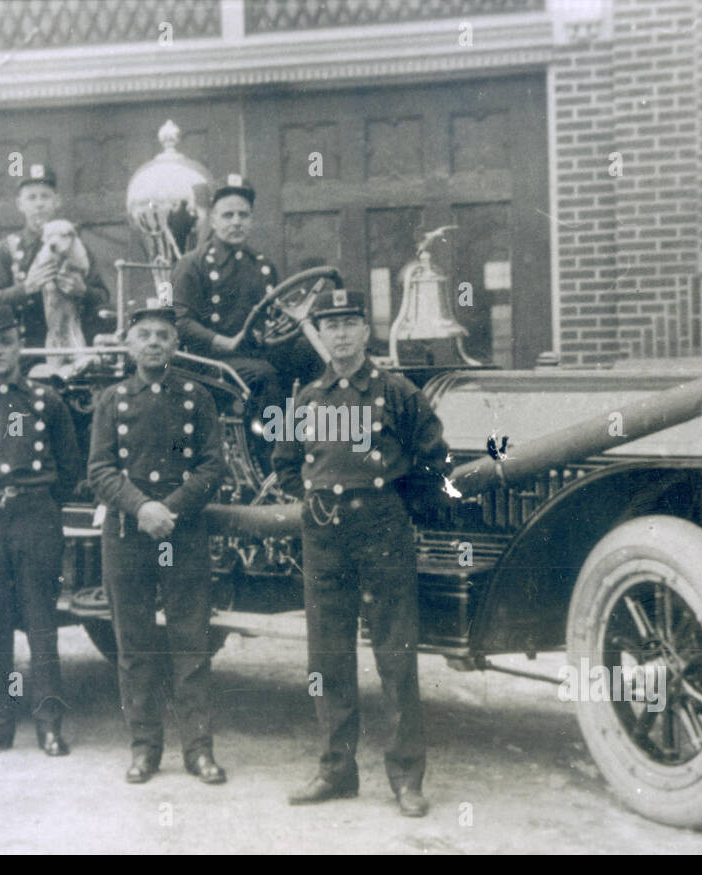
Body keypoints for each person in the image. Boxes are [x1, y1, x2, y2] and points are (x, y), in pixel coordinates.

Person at [271, 290, 451, 817]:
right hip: (324, 533)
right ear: (320, 336)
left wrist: (396, 508)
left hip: (382, 531)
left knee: (395, 656)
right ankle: (335, 770)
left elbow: (433, 459)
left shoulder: (397, 392)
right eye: (331, 326)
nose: (342, 334)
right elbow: (285, 463)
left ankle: (405, 778)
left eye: (351, 324)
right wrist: (313, 499)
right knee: (327, 658)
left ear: (365, 332)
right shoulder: (305, 398)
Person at [88, 306, 228, 785]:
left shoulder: (197, 396)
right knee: (135, 646)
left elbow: (213, 466)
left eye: (162, 336)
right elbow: (100, 469)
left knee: (191, 643)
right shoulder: (110, 400)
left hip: (182, 532)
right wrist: (142, 508)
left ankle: (198, 750)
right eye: (143, 335)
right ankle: (145, 748)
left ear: (174, 345)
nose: (153, 343)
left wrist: (169, 508)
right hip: (128, 533)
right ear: (129, 345)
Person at [0, 306, 82, 758]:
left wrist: (34, 501)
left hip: (34, 519)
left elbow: (69, 467)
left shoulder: (46, 401)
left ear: (19, 344)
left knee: (42, 625)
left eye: (6, 341)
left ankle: (49, 725)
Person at [171, 174, 321, 420]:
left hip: (253, 352)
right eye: (228, 215)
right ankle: (270, 453)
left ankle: (318, 437)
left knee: (312, 351)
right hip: (207, 359)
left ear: (251, 220)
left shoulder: (261, 265)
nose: (236, 222)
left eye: (243, 215)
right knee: (265, 376)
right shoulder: (191, 265)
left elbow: (272, 314)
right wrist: (223, 341)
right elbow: (179, 321)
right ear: (213, 220)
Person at [0, 163, 111, 349]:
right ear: (20, 204)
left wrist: (83, 291)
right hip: (24, 352)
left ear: (57, 201)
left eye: (45, 196)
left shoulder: (77, 246)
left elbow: (103, 297)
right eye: (31, 197)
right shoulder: (6, 249)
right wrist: (25, 289)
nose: (39, 203)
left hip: (75, 347)